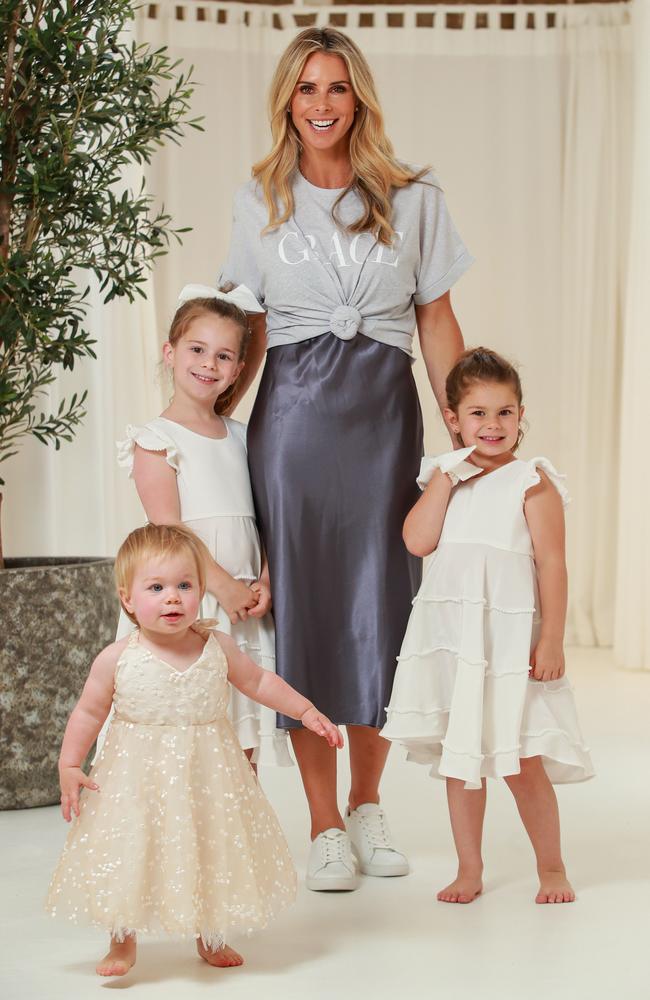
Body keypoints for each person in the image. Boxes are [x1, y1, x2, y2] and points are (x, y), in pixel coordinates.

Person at [218, 26, 473, 890]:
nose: (321, 104)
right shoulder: (259, 199)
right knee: (310, 615)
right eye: (305, 89)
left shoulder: (414, 197)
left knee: (384, 611)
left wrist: (461, 422)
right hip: (291, 423)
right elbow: (245, 328)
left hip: (383, 422)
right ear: (285, 100)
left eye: (336, 88)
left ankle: (368, 804)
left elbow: (436, 320)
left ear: (358, 98)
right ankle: (323, 822)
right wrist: (208, 416)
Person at [46, 523, 343, 977]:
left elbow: (259, 681)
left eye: (185, 586)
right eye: (157, 587)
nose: (173, 598)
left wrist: (305, 711)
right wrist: (69, 763)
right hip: (136, 779)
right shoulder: (118, 657)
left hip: (208, 773)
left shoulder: (216, 646)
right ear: (128, 599)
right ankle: (122, 940)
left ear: (201, 592)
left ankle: (211, 933)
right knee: (134, 849)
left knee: (208, 846)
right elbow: (88, 712)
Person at [380, 348, 594, 904]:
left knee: (523, 761)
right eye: (477, 413)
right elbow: (417, 542)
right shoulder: (443, 478)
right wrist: (447, 480)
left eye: (504, 412)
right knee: (461, 761)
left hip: (507, 645)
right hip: (455, 643)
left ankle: (551, 867)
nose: (492, 425)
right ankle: (469, 868)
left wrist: (551, 638)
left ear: (521, 415)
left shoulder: (532, 479)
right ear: (453, 419)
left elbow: (552, 562)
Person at [115, 285, 291, 766]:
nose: (208, 365)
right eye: (197, 350)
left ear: (238, 370)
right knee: (187, 731)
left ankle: (238, 835)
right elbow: (170, 531)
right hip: (192, 599)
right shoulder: (155, 441)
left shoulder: (242, 437)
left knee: (241, 729)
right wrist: (223, 588)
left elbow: (269, 514)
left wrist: (263, 582)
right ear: (171, 353)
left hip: (245, 602)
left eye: (223, 356)